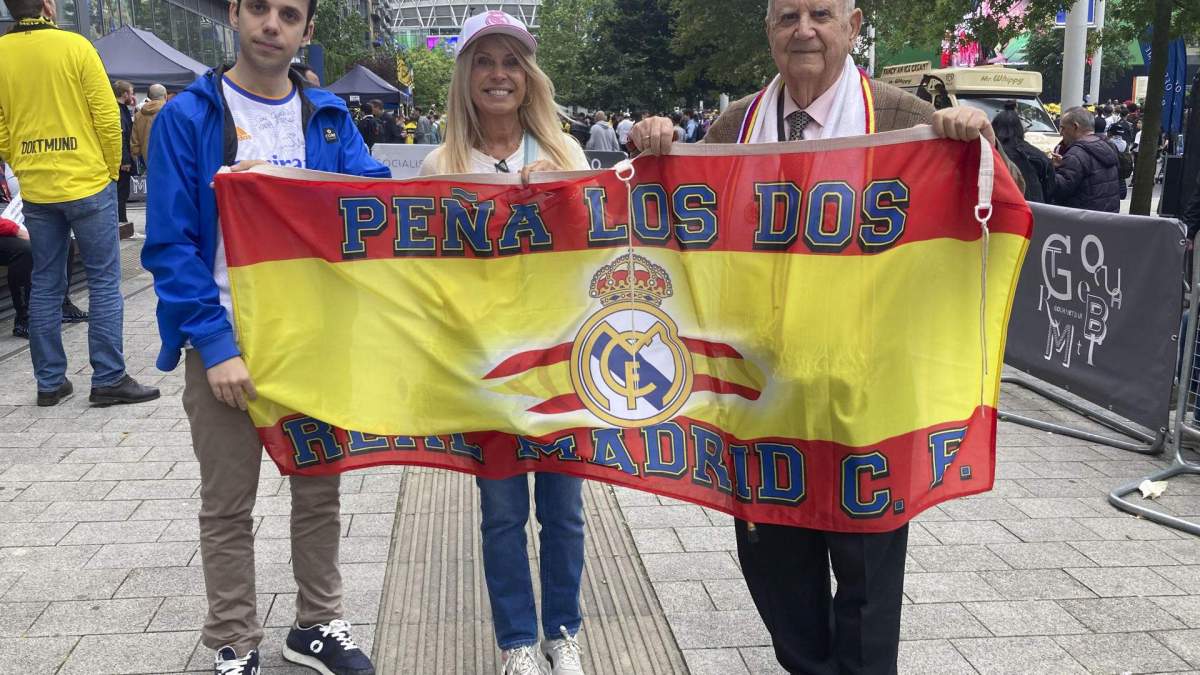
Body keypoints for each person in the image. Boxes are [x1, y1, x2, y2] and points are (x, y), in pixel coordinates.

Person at [631, 0, 1005, 672]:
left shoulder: (906, 120)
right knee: (778, 577)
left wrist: (979, 138)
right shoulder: (731, 126)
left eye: (822, 14)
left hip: (867, 402)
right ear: (769, 30)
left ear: (853, 26)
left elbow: (991, 209)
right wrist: (656, 141)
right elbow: (664, 215)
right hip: (763, 400)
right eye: (788, 16)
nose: (805, 29)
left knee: (867, 590)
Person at [139, 0, 390, 670]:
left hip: (313, 342)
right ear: (234, 15)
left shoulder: (329, 117)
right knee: (228, 503)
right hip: (228, 343)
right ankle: (232, 638)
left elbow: (375, 204)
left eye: (288, 13)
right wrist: (215, 345)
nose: (270, 23)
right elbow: (170, 246)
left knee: (318, 489)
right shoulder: (189, 118)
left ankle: (318, 622)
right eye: (258, 7)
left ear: (307, 30)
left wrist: (290, 186)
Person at [418, 10, 589, 675]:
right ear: (466, 75)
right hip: (486, 368)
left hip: (560, 364)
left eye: (512, 61)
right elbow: (423, 271)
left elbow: (592, 254)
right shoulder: (441, 164)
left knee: (565, 512)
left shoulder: (566, 152)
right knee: (500, 514)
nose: (499, 74)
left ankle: (564, 630)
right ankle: (517, 639)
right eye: (485, 61)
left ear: (529, 76)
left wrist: (562, 193)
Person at [0, 0, 159, 407]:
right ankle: (108, 377)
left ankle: (50, 381)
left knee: (46, 282)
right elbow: (107, 117)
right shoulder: (76, 46)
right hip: (87, 181)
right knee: (105, 280)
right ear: (49, 6)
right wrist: (108, 170)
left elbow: (1, 125)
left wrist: (21, 160)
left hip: (37, 188)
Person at [0, 161, 91, 338]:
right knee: (26, 250)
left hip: (15, 218)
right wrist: (16, 230)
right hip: (7, 228)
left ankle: (61, 303)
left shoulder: (8, 162)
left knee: (63, 240)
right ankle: (24, 318)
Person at [1051, 106, 1121, 213]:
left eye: (1063, 128)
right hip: (1108, 217)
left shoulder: (1076, 153)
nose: (1061, 133)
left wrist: (1051, 169)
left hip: (1083, 221)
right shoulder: (1108, 145)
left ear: (1075, 126)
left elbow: (1060, 190)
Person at [993, 107, 1053, 203]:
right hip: (1035, 209)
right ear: (1020, 129)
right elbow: (1050, 189)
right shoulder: (1037, 154)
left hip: (1001, 207)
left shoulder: (992, 153)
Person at [113, 80, 138, 228]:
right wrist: (125, 160)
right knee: (121, 193)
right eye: (131, 92)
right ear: (125, 94)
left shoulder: (122, 109)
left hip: (123, 157)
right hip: (122, 160)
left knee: (122, 192)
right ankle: (121, 222)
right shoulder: (118, 111)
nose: (133, 95)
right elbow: (121, 136)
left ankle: (121, 220)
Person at [131, 83, 166, 172]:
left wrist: (138, 162)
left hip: (146, 163)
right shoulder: (171, 112)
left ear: (149, 97)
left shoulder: (139, 115)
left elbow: (135, 143)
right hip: (167, 162)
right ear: (165, 96)